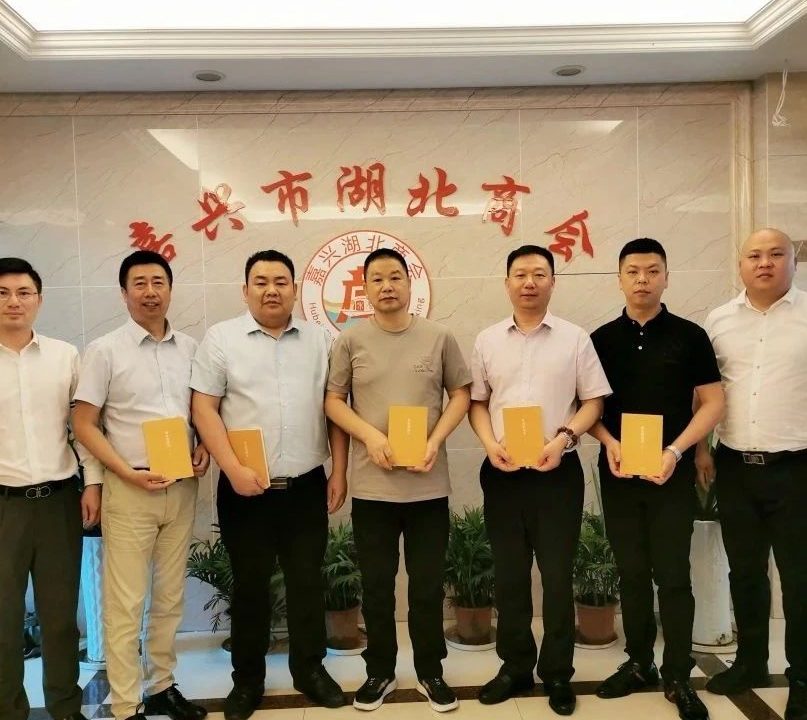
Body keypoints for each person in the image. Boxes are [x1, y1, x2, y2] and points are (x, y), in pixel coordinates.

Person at [191, 249, 348, 720]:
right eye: (260, 282)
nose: (271, 290)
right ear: (245, 291)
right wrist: (232, 469)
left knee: (307, 582)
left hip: (305, 486)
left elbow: (335, 407)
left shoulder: (320, 340)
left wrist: (339, 471)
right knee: (249, 587)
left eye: (281, 282)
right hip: (244, 490)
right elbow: (204, 409)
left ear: (295, 290)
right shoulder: (221, 339)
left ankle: (310, 670)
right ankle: (247, 680)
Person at [325, 247, 470, 713]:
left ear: (410, 283)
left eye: (395, 277)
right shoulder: (350, 341)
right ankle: (380, 671)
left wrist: (435, 440)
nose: (387, 286)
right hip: (374, 490)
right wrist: (369, 436)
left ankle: (430, 671)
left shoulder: (439, 336)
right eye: (377, 279)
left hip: (428, 487)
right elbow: (333, 402)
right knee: (376, 587)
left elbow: (461, 394)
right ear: (365, 288)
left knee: (427, 586)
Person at [469, 244, 611, 716]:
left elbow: (594, 401)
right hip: (503, 472)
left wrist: (565, 437)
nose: (529, 282)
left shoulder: (575, 338)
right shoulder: (487, 340)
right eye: (520, 274)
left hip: (557, 472)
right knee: (509, 576)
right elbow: (477, 403)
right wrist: (489, 444)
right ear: (506, 282)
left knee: (556, 576)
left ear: (553, 281)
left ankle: (557, 673)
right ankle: (514, 667)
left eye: (539, 274)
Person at [588, 238, 724, 720]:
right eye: (633, 271)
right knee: (630, 572)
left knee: (672, 574)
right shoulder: (600, 340)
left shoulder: (690, 336)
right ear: (619, 279)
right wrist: (609, 441)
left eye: (652, 270)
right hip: (619, 472)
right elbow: (586, 408)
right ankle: (638, 662)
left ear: (666, 277)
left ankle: (678, 673)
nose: (642, 279)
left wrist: (676, 450)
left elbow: (712, 402)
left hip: (672, 472)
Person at [72, 250, 209, 720]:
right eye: (140, 284)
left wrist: (203, 445)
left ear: (170, 289)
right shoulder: (105, 350)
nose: (150, 292)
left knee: (170, 597)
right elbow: (84, 423)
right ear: (124, 293)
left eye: (158, 282)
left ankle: (162, 686)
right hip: (130, 488)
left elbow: (200, 412)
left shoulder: (190, 348)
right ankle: (126, 704)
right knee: (126, 603)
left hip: (181, 486)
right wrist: (120, 473)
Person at [701, 228, 807, 720]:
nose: (765, 263)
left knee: (800, 578)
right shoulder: (719, 321)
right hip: (735, 464)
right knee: (744, 572)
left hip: (797, 467)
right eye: (754, 255)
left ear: (793, 260)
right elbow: (705, 393)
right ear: (741, 263)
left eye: (776, 254)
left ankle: (802, 677)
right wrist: (701, 450)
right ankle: (750, 662)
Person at [0, 257, 101, 720]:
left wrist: (92, 484)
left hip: (58, 501)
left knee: (60, 619)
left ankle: (65, 708)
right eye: (3, 293)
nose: (14, 301)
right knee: (3, 621)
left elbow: (82, 428)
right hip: (4, 506)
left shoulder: (65, 356)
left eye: (23, 292)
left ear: (39, 299)